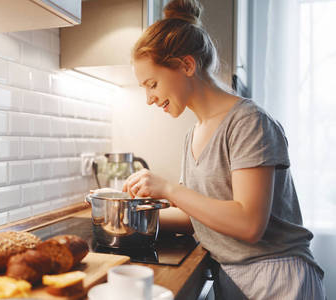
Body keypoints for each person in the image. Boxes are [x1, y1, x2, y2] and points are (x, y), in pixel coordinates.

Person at [122, 0, 326, 299]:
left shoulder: (248, 122)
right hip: (234, 277)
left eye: (152, 84)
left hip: (277, 279)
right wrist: (127, 219)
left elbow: (248, 223)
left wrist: (167, 188)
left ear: (187, 65)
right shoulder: (193, 134)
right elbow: (198, 217)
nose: (149, 99)